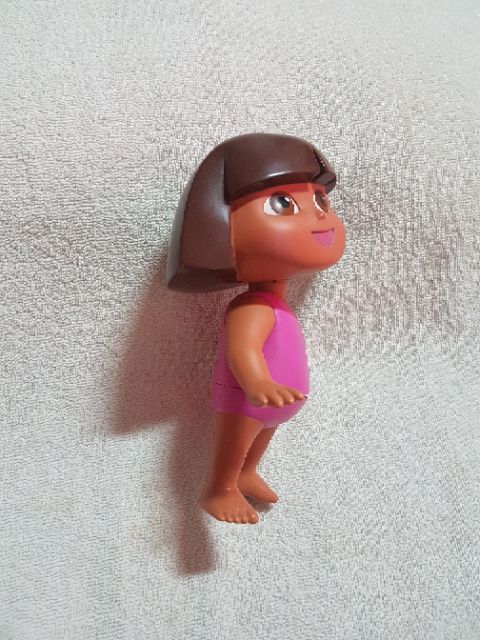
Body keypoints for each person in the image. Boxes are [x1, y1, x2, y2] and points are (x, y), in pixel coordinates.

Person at [167, 133, 346, 524]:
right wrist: (257, 383)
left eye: (320, 200)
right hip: (247, 401)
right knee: (235, 445)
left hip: (273, 404)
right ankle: (220, 488)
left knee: (257, 443)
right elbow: (242, 349)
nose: (319, 216)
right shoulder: (252, 306)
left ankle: (246, 474)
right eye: (282, 203)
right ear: (222, 228)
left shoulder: (275, 304)